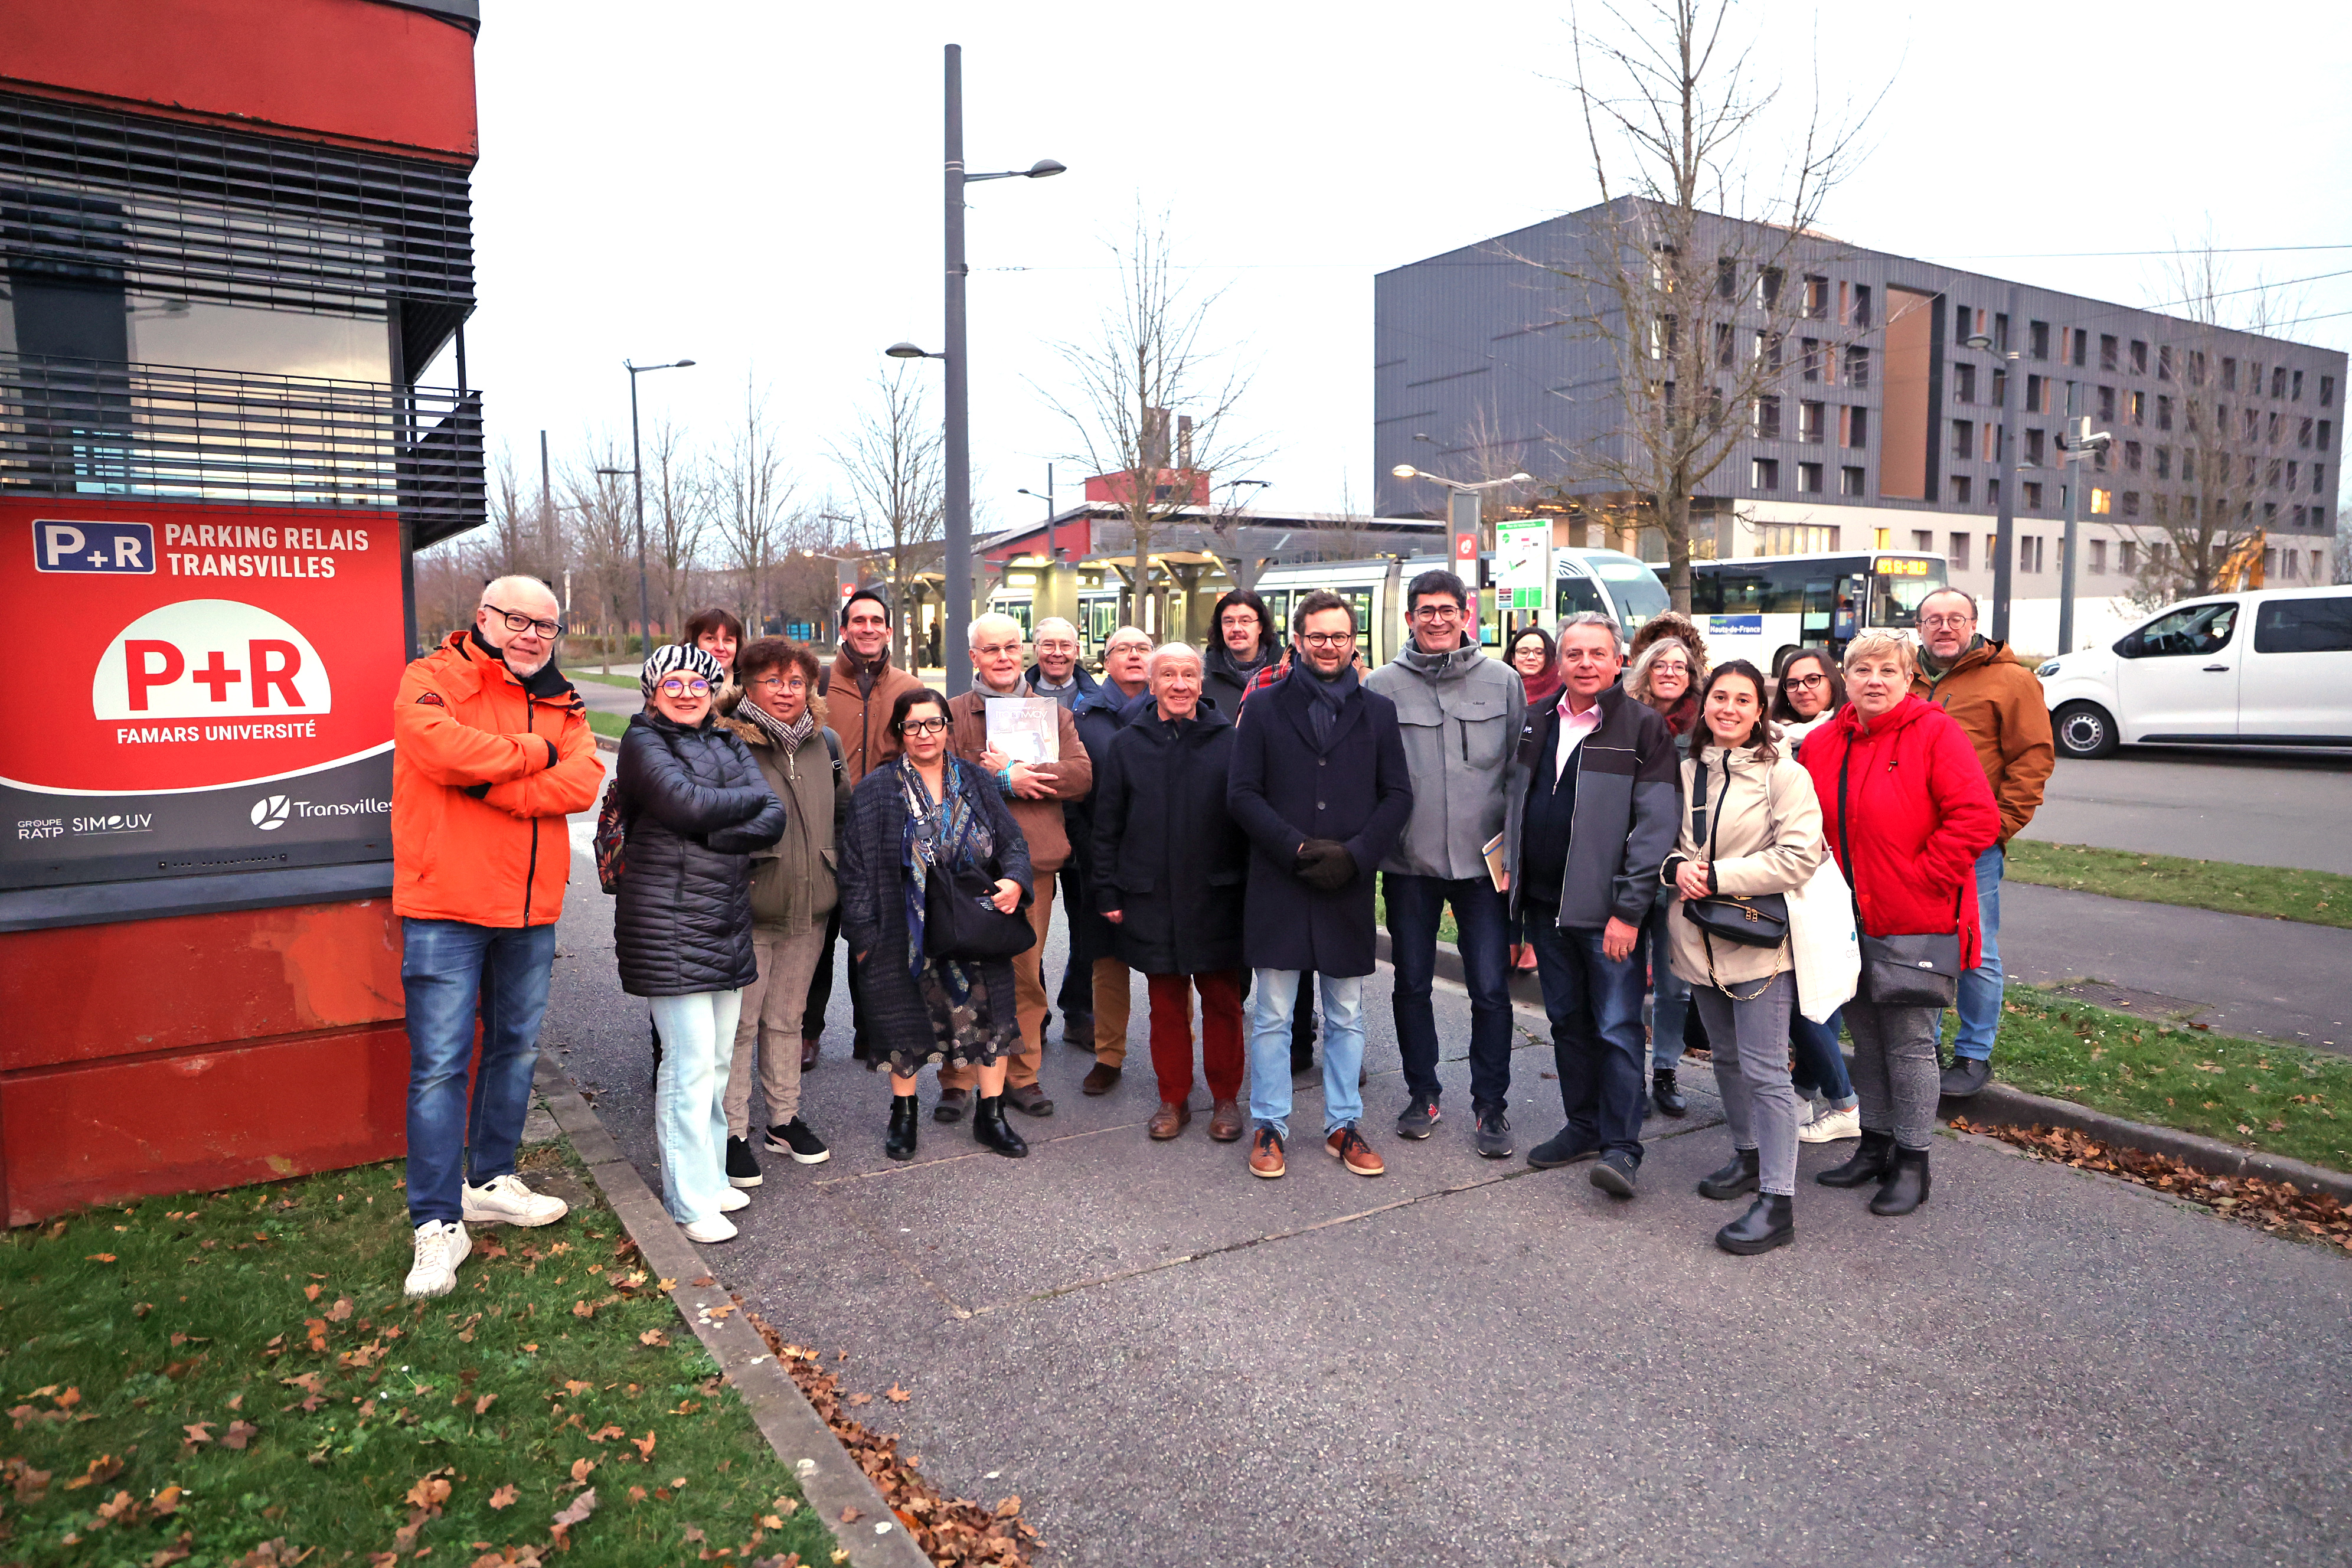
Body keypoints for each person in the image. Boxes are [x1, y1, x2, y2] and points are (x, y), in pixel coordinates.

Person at [393, 576, 602, 1298]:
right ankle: (435, 1223)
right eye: (518, 620)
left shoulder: (563, 699)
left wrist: (498, 777)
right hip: (447, 905)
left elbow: (582, 782)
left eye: (546, 626)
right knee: (442, 1065)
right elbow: (439, 751)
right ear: (484, 617)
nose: (532, 635)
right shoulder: (432, 678)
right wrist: (533, 755)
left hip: (529, 910)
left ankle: (488, 1178)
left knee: (514, 1050)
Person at [1801, 631, 2000, 1217]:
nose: (1875, 681)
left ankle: (1914, 1161)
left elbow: (1975, 815)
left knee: (1910, 1043)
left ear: (1909, 676)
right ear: (1847, 677)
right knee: (1865, 1037)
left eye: (1889, 669)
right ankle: (1875, 1144)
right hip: (1844, 918)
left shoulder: (1935, 732)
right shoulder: (1823, 742)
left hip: (1914, 919)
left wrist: (1922, 877)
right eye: (1863, 669)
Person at [1227, 590, 1413, 1181]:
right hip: (1281, 881)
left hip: (1348, 886)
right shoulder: (1262, 707)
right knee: (1275, 1015)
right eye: (1317, 636)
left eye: (1338, 636)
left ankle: (1343, 1124)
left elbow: (1398, 796)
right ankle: (1270, 1125)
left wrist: (1357, 856)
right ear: (1297, 640)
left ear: (1353, 640)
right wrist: (1297, 847)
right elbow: (1242, 795)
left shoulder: (1378, 712)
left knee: (1347, 1014)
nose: (1328, 646)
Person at [610, 644, 786, 1243]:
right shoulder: (642, 744)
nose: (687, 692)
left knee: (715, 1062)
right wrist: (729, 815)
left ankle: (711, 1178)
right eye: (673, 682)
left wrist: (706, 822)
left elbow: (774, 816)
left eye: (699, 682)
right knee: (686, 1068)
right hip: (668, 923)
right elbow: (684, 803)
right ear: (652, 689)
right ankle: (687, 1200)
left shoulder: (727, 740)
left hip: (724, 918)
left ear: (714, 689)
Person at [1661, 661, 1825, 1255]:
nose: (1729, 708)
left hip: (1759, 945)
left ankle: (1778, 1201)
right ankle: (1748, 1155)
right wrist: (1675, 870)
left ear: (1761, 710)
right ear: (1706, 705)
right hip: (1696, 941)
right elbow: (1664, 848)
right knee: (1726, 1059)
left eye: (1743, 700)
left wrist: (1718, 876)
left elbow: (1800, 856)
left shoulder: (1785, 775)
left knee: (1764, 1071)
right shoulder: (1685, 772)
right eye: (1719, 697)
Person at [1514, 612, 1680, 1199]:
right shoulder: (1535, 721)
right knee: (1567, 1024)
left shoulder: (1643, 728)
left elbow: (1657, 827)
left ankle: (1622, 1145)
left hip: (1608, 914)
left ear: (1618, 662)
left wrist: (1629, 910)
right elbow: (1516, 808)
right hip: (1543, 906)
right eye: (1575, 653)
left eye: (1597, 653)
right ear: (1559, 662)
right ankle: (1582, 1125)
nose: (1585, 663)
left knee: (1616, 1027)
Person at [1364, 569, 1527, 1157]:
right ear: (1410, 618)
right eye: (1425, 610)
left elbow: (1517, 771)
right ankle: (1422, 1092)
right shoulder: (1381, 687)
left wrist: (1515, 852)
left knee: (1489, 988)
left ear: (1466, 615)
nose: (1437, 619)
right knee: (1410, 984)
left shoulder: (1503, 681)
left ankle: (1492, 1105)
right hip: (1409, 865)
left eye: (1447, 609)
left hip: (1484, 868)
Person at [838, 688, 1034, 1161]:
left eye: (934, 723)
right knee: (903, 1026)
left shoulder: (975, 779)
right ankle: (903, 1116)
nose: (924, 734)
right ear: (899, 732)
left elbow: (1012, 842)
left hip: (975, 923)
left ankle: (992, 1117)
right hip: (902, 931)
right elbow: (854, 870)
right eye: (913, 725)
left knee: (990, 1023)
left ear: (949, 727)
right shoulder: (876, 790)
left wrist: (1014, 881)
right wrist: (865, 939)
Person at [937, 614, 1091, 1121]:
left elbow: (1080, 776)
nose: (1003, 658)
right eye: (991, 650)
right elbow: (941, 777)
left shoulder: (1051, 715)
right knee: (961, 974)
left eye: (1010, 648)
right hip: (966, 868)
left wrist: (1024, 772)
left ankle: (1023, 1075)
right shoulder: (953, 713)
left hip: (1033, 866)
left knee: (1025, 975)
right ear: (973, 658)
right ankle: (959, 1078)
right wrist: (1004, 781)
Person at [1094, 642, 1250, 1141]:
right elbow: (1107, 827)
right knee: (1165, 1005)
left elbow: (1247, 825)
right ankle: (1173, 1098)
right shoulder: (1127, 745)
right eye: (1168, 675)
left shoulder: (1231, 743)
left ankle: (1226, 1099)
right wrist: (1108, 892)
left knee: (1223, 1001)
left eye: (1188, 675)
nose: (1179, 684)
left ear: (1201, 683)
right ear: (1153, 684)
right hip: (1150, 896)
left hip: (1217, 896)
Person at [1912, 586, 2054, 1099]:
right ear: (1919, 626)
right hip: (1909, 842)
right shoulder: (1906, 677)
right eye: (1934, 619)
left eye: (1956, 618)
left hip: (1974, 845)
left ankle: (1973, 1054)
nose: (1945, 627)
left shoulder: (2011, 681)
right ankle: (1919, 1046)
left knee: (1976, 949)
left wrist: (2000, 825)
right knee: (1916, 945)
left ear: (1974, 624)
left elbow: (2034, 757)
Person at [718, 638, 849, 1187]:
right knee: (739, 1025)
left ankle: (783, 1119)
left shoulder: (826, 741)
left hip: (811, 904)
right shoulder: (725, 743)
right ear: (747, 686)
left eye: (796, 681)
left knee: (787, 1019)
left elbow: (843, 813)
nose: (785, 691)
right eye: (772, 680)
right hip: (748, 905)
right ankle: (730, 1132)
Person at [818, 589, 922, 1071]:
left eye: (876, 620)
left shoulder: (907, 685)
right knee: (818, 939)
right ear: (844, 629)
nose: (867, 628)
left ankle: (871, 1032)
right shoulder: (818, 683)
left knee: (875, 936)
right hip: (821, 825)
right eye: (857, 620)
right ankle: (806, 1033)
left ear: (888, 629)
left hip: (881, 829)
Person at [1770, 649, 1861, 1144]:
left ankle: (1844, 1102)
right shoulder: (1776, 738)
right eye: (1792, 683)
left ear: (1833, 683)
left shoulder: (1844, 733)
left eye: (1813, 680)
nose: (1803, 690)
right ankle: (1805, 1090)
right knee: (1806, 992)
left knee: (1817, 991)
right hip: (1791, 874)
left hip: (1832, 876)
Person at [1068, 626, 1155, 1093]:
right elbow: (1074, 799)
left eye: (1144, 648)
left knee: (1168, 965)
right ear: (1106, 660)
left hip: (1159, 863)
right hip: (1100, 860)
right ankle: (1109, 1056)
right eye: (1124, 649)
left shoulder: (1172, 711)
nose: (1135, 656)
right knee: (1105, 962)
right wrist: (1089, 854)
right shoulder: (1083, 717)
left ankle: (1172, 1054)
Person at [1623, 634, 1706, 1118]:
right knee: (1627, 978)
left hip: (1683, 866)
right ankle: (1628, 1072)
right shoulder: (1627, 719)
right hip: (1634, 864)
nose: (1671, 672)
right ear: (1647, 670)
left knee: (1675, 983)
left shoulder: (1705, 723)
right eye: (1662, 664)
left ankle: (1666, 1070)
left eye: (1681, 665)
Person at [1025, 616, 1103, 1051]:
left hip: (1084, 822)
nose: (1057, 652)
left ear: (1079, 650)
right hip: (1032, 821)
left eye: (1065, 645)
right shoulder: (1014, 697)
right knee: (1028, 926)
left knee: (1086, 923)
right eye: (1047, 644)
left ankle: (1079, 1009)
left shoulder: (1099, 698)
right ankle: (1032, 1012)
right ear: (1034, 649)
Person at [1505, 626, 1562, 972]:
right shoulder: (1501, 688)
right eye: (1523, 651)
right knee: (1506, 869)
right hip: (1505, 787)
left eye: (1538, 652)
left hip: (1542, 789)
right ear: (1512, 655)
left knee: (1534, 866)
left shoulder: (1560, 692)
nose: (1530, 657)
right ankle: (1510, 937)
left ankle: (1534, 943)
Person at [1204, 589, 1277, 715]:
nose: (1236, 628)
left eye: (1245, 621)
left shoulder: (1286, 670)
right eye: (1229, 621)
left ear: (1261, 626)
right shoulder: (1204, 674)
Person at [682, 606, 746, 716]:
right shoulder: (671, 683)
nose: (720, 648)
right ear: (693, 642)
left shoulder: (751, 687)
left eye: (728, 640)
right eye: (710, 639)